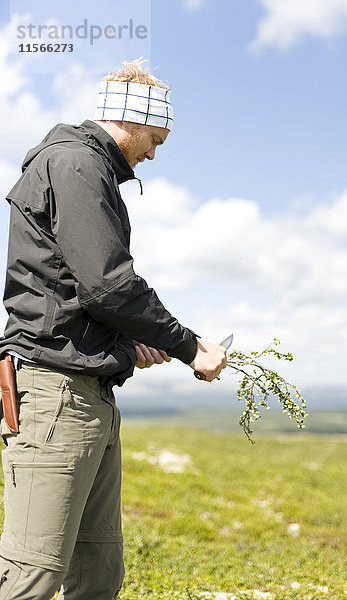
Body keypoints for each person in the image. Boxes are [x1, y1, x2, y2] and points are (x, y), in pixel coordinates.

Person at [0, 59, 227, 599]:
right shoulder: (76, 165)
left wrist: (126, 343)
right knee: (33, 575)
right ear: (129, 120)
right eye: (154, 139)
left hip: (87, 394)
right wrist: (189, 345)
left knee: (96, 572)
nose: (153, 154)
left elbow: (75, 292)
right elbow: (109, 285)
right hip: (56, 394)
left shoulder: (86, 168)